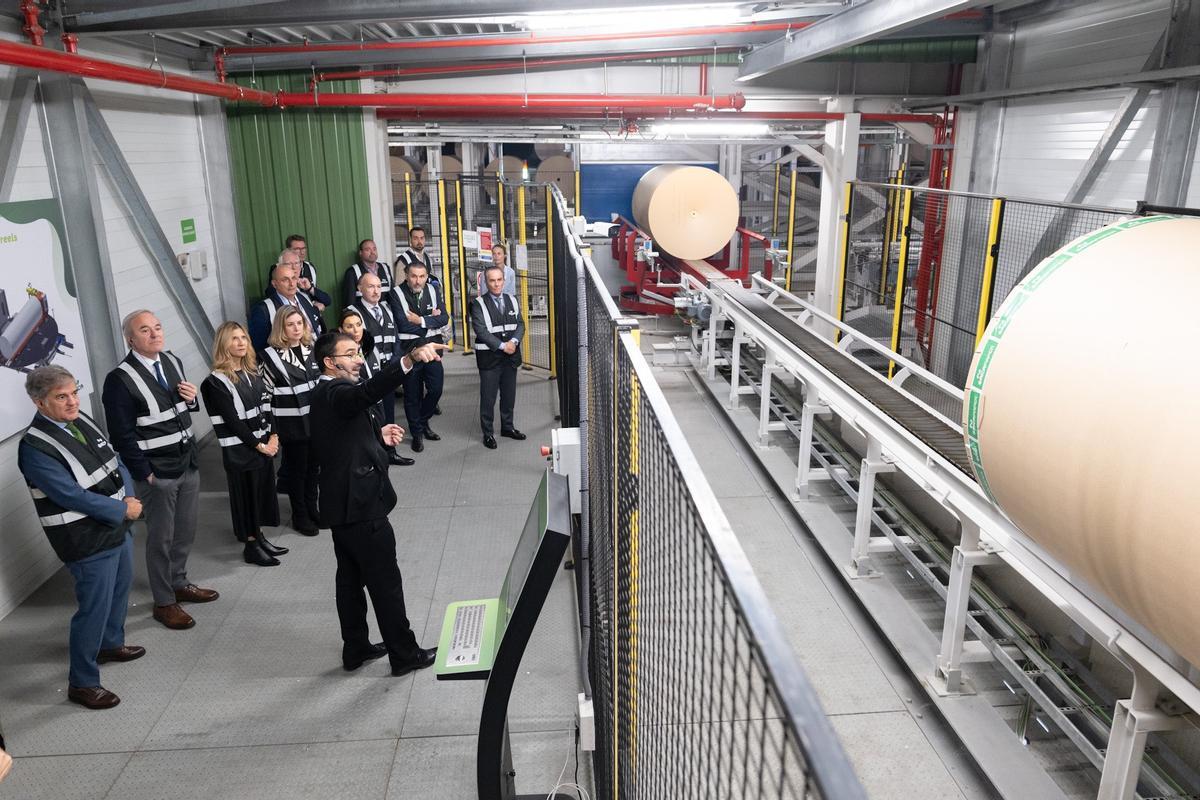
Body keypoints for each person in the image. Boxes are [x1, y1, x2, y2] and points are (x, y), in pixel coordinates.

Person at [309, 331, 446, 675]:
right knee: (386, 583)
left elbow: (341, 436)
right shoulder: (336, 391)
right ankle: (405, 654)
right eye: (350, 354)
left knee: (350, 580)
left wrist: (378, 437)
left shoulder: (326, 395)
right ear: (330, 362)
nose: (358, 359)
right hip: (361, 506)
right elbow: (364, 395)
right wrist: (409, 359)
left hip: (342, 505)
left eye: (358, 352)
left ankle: (355, 648)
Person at [18, 365, 145, 710]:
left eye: (74, 392)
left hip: (116, 524)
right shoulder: (35, 447)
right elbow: (70, 495)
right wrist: (122, 509)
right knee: (94, 608)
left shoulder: (80, 419)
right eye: (62, 397)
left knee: (120, 589)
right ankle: (83, 682)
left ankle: (110, 644)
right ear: (39, 403)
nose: (73, 401)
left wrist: (129, 497)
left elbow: (115, 461)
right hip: (84, 538)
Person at [102, 310, 217, 631]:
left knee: (186, 530)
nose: (155, 334)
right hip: (157, 472)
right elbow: (121, 436)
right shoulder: (119, 379)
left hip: (187, 461)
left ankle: (179, 581)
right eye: (145, 330)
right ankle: (164, 601)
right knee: (161, 538)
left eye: (157, 327)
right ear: (130, 340)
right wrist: (145, 473)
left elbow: (181, 408)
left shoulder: (171, 361)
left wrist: (192, 401)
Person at [200, 322, 285, 567]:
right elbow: (233, 422)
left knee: (260, 496)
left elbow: (268, 406)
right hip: (241, 451)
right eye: (234, 338)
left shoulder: (253, 373)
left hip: (262, 447)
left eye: (244, 338)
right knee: (246, 499)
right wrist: (260, 445)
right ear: (223, 344)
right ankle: (251, 545)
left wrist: (274, 436)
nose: (241, 343)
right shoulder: (215, 382)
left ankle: (259, 536)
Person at [260, 306, 321, 535]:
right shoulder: (269, 356)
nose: (296, 328)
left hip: (315, 422)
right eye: (290, 324)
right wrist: (272, 431)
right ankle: (300, 514)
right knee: (298, 472)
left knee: (314, 469)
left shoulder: (312, 348)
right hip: (291, 426)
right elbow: (265, 397)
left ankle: (313, 508)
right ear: (281, 328)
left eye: (299, 323)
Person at [339, 308, 413, 467]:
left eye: (358, 324)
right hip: (360, 405)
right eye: (349, 326)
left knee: (382, 435)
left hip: (376, 402)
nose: (355, 330)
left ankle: (389, 454)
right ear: (341, 330)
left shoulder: (370, 348)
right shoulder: (341, 357)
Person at [393, 259, 449, 453]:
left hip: (432, 351)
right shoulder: (396, 293)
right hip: (409, 351)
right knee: (412, 395)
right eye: (414, 276)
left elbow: (444, 318)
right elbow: (402, 324)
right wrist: (432, 321)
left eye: (422, 276)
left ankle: (423, 421)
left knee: (436, 389)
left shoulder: (433, 289)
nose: (418, 281)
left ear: (427, 276)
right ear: (407, 276)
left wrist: (421, 320)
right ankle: (417, 433)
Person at [471, 265, 527, 449]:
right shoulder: (477, 304)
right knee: (488, 398)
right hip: (490, 358)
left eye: (499, 280)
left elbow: (520, 324)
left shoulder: (513, 300)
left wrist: (514, 342)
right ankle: (488, 433)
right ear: (486, 283)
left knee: (509, 395)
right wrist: (504, 346)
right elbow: (481, 331)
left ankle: (507, 427)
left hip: (510, 357)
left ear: (504, 280)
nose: (496, 284)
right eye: (492, 280)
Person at [249, 251, 324, 354]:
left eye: (293, 278)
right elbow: (259, 348)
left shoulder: (304, 298)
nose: (291, 283)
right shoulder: (264, 310)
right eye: (285, 280)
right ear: (274, 284)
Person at [342, 238, 400, 315]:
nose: (372, 252)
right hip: (364, 315)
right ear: (360, 253)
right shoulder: (352, 272)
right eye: (367, 249)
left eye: (374, 249)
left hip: (385, 314)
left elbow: (392, 296)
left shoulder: (385, 268)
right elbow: (349, 302)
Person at [286, 234, 332, 312]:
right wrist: (313, 306)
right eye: (297, 249)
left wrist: (310, 288)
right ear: (289, 250)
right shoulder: (279, 269)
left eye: (303, 248)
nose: (302, 252)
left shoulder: (309, 267)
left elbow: (326, 300)